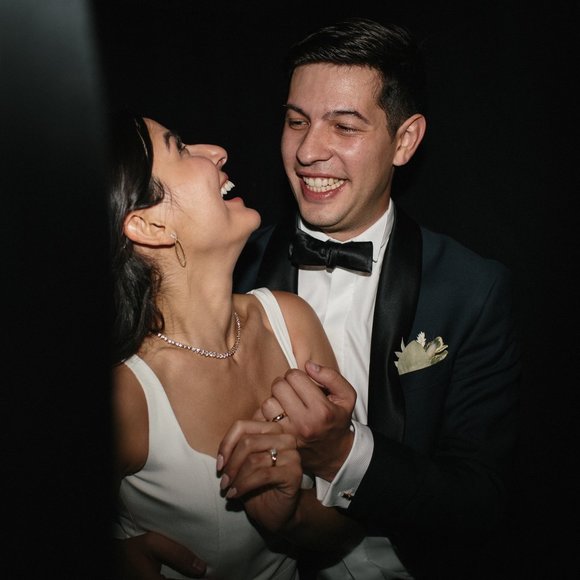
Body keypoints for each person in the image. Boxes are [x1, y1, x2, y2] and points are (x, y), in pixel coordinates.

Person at [119, 16, 522, 580]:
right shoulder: (227, 269)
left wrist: (342, 454)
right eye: (296, 121)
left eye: (345, 126)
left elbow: (482, 500)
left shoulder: (470, 290)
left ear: (404, 141)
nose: (308, 151)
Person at [108, 112, 361, 580]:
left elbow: (349, 526)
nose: (217, 152)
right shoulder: (127, 396)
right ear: (150, 226)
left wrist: (293, 515)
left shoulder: (291, 321)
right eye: (179, 147)